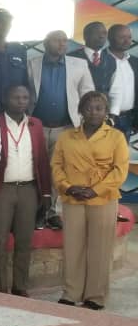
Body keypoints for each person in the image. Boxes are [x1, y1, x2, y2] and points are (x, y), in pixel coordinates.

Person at [52, 91, 128, 310]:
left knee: (100, 249)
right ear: (80, 111)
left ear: (106, 112)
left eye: (99, 108)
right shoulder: (66, 137)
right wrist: (68, 187)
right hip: (73, 197)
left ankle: (96, 296)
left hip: (103, 199)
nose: (93, 112)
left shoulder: (116, 137)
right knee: (72, 247)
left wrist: (96, 190)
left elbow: (120, 170)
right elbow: (56, 166)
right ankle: (71, 292)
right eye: (88, 108)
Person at [27, 30, 96, 231]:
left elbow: (88, 95)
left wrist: (87, 124)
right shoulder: (32, 64)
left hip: (65, 128)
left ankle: (52, 213)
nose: (62, 44)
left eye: (65, 41)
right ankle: (35, 211)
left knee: (58, 171)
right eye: (57, 40)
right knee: (34, 170)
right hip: (35, 127)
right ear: (45, 43)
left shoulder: (79, 65)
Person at [0, 85, 51, 296]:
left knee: (24, 240)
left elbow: (42, 160)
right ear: (5, 99)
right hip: (3, 189)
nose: (21, 101)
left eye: (25, 97)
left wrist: (46, 192)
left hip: (29, 189)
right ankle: (0, 287)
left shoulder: (35, 124)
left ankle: (20, 286)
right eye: (16, 97)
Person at [106, 24, 138, 138]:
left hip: (128, 118)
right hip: (105, 118)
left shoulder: (134, 61)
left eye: (129, 37)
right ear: (110, 38)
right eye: (122, 37)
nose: (127, 41)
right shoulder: (100, 60)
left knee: (123, 150)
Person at [68, 21, 112, 94]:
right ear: (85, 36)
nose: (101, 36)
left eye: (104, 33)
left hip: (104, 101)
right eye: (97, 33)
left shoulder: (112, 59)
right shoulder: (70, 58)